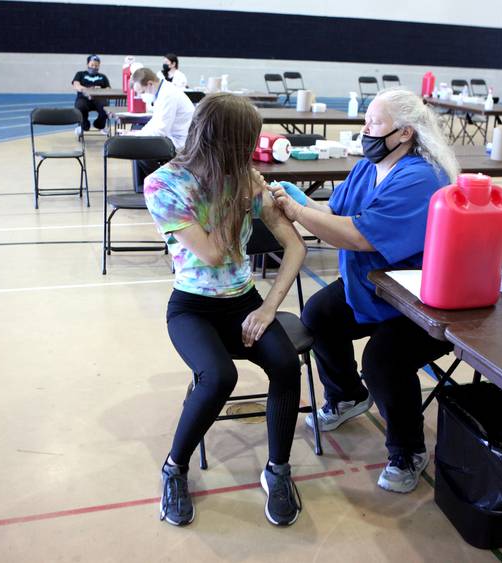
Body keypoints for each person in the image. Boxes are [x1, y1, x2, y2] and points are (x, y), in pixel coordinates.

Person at [270, 88, 460, 494]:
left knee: (383, 362)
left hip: (417, 300)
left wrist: (299, 213)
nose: (365, 130)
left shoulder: (420, 178)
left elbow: (358, 237)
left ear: (405, 132)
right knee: (320, 316)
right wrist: (295, 200)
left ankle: (408, 449)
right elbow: (336, 215)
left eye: (373, 123)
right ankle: (347, 396)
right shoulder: (369, 165)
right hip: (373, 287)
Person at [144, 93, 307, 527]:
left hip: (245, 302)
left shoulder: (246, 176)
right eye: (248, 143)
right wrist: (240, 191)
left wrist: (270, 307)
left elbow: (295, 245)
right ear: (227, 143)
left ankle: (277, 469)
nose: (254, 152)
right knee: (219, 376)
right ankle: (174, 468)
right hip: (192, 309)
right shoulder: (164, 184)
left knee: (286, 365)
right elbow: (215, 254)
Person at [129, 67, 195, 189]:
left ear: (150, 84)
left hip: (182, 142)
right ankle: (158, 184)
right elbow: (155, 122)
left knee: (139, 151)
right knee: (136, 145)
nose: (142, 96)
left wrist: (138, 136)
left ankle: (164, 185)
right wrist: (136, 133)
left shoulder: (168, 94)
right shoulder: (162, 92)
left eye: (142, 92)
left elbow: (161, 130)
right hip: (172, 137)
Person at [71, 54, 110, 136]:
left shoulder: (102, 77)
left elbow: (108, 89)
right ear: (87, 64)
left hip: (99, 99)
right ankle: (84, 126)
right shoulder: (80, 74)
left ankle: (99, 125)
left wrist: (100, 90)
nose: (94, 67)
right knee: (80, 106)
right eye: (92, 65)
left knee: (106, 108)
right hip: (84, 98)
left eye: (96, 65)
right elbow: (76, 85)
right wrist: (87, 90)